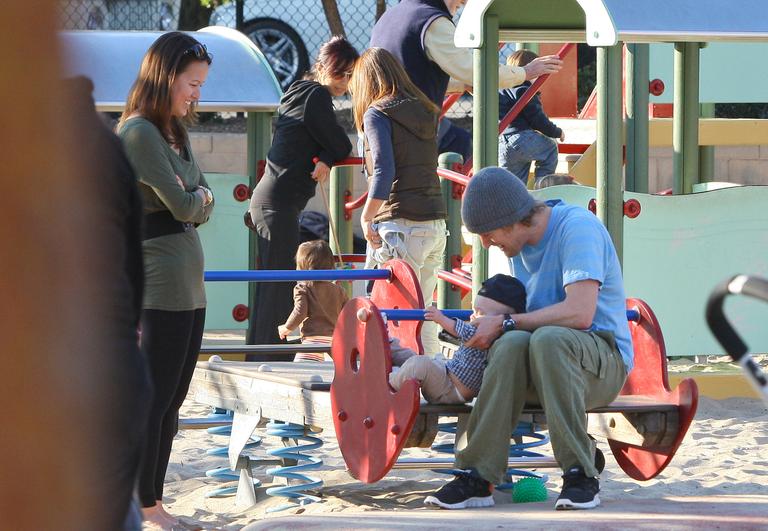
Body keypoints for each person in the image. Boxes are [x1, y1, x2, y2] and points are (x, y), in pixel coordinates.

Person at [424, 166, 633, 511]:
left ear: (512, 220)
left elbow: (580, 314)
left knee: (545, 338)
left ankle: (581, 473)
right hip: (548, 361)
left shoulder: (577, 229)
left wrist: (505, 322)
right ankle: (478, 475)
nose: (487, 243)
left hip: (602, 363)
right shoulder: (519, 246)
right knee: (512, 342)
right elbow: (521, 328)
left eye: (488, 234)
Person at [117, 32, 214, 530]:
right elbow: (185, 203)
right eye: (191, 84)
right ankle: (144, 504)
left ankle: (153, 500)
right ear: (165, 76)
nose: (196, 94)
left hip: (189, 287)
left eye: (200, 85)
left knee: (173, 400)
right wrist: (196, 199)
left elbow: (201, 192)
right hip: (159, 286)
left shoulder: (175, 130)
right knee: (153, 400)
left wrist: (195, 197)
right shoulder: (140, 133)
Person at [247, 36, 358, 353]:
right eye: (341, 73)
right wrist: (328, 154)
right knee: (280, 282)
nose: (345, 82)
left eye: (351, 75)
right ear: (323, 68)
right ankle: (270, 353)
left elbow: (321, 137)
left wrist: (324, 155)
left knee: (272, 282)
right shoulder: (316, 96)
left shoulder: (297, 92)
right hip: (278, 202)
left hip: (272, 199)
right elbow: (341, 143)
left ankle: (260, 351)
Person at [370, 0, 563, 157]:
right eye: (457, 6)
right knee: (466, 152)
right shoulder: (431, 21)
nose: (454, 14)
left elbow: (411, 79)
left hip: (378, 128)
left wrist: (463, 84)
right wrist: (525, 72)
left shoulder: (390, 18)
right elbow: (473, 69)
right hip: (409, 133)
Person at [349, 47, 447, 355]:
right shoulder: (426, 109)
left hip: (399, 222)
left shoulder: (377, 113)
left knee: (389, 314)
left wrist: (367, 216)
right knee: (424, 314)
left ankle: (391, 388)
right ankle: (432, 386)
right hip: (434, 222)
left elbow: (383, 168)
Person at [389, 274, 526, 404]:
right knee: (414, 359)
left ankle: (391, 382)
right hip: (450, 378)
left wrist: (440, 318)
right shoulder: (494, 332)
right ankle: (393, 355)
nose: (473, 316)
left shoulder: (485, 334)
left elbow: (457, 329)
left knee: (420, 364)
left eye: (481, 313)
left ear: (498, 320)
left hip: (450, 389)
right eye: (474, 310)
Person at [499, 49, 564, 184]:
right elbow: (537, 119)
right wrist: (557, 132)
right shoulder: (526, 90)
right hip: (521, 138)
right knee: (550, 149)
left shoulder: (502, 89)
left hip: (502, 142)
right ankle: (542, 186)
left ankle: (510, 201)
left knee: (513, 182)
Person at [278, 240, 349, 362]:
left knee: (303, 373)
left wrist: (287, 328)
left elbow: (300, 311)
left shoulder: (303, 287)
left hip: (312, 341)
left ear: (303, 268)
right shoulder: (339, 290)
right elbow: (347, 313)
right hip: (334, 341)